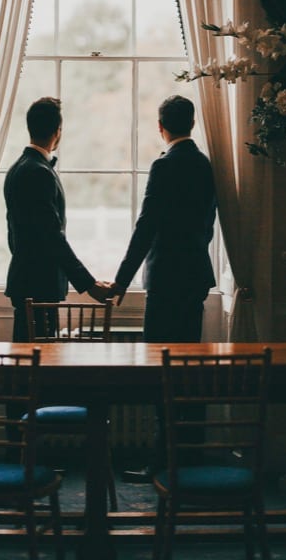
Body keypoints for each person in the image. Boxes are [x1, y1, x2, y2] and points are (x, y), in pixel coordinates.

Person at [112, 94, 217, 480]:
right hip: (194, 278)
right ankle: (189, 458)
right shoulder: (206, 165)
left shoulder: (164, 166)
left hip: (166, 281)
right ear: (191, 124)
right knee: (190, 370)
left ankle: (161, 463)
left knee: (163, 375)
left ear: (161, 127)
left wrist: (121, 281)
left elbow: (146, 227)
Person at [4, 96, 110, 340]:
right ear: (58, 132)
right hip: (39, 284)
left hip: (27, 279)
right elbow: (51, 236)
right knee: (39, 361)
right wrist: (89, 285)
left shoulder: (18, 168)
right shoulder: (38, 172)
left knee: (28, 359)